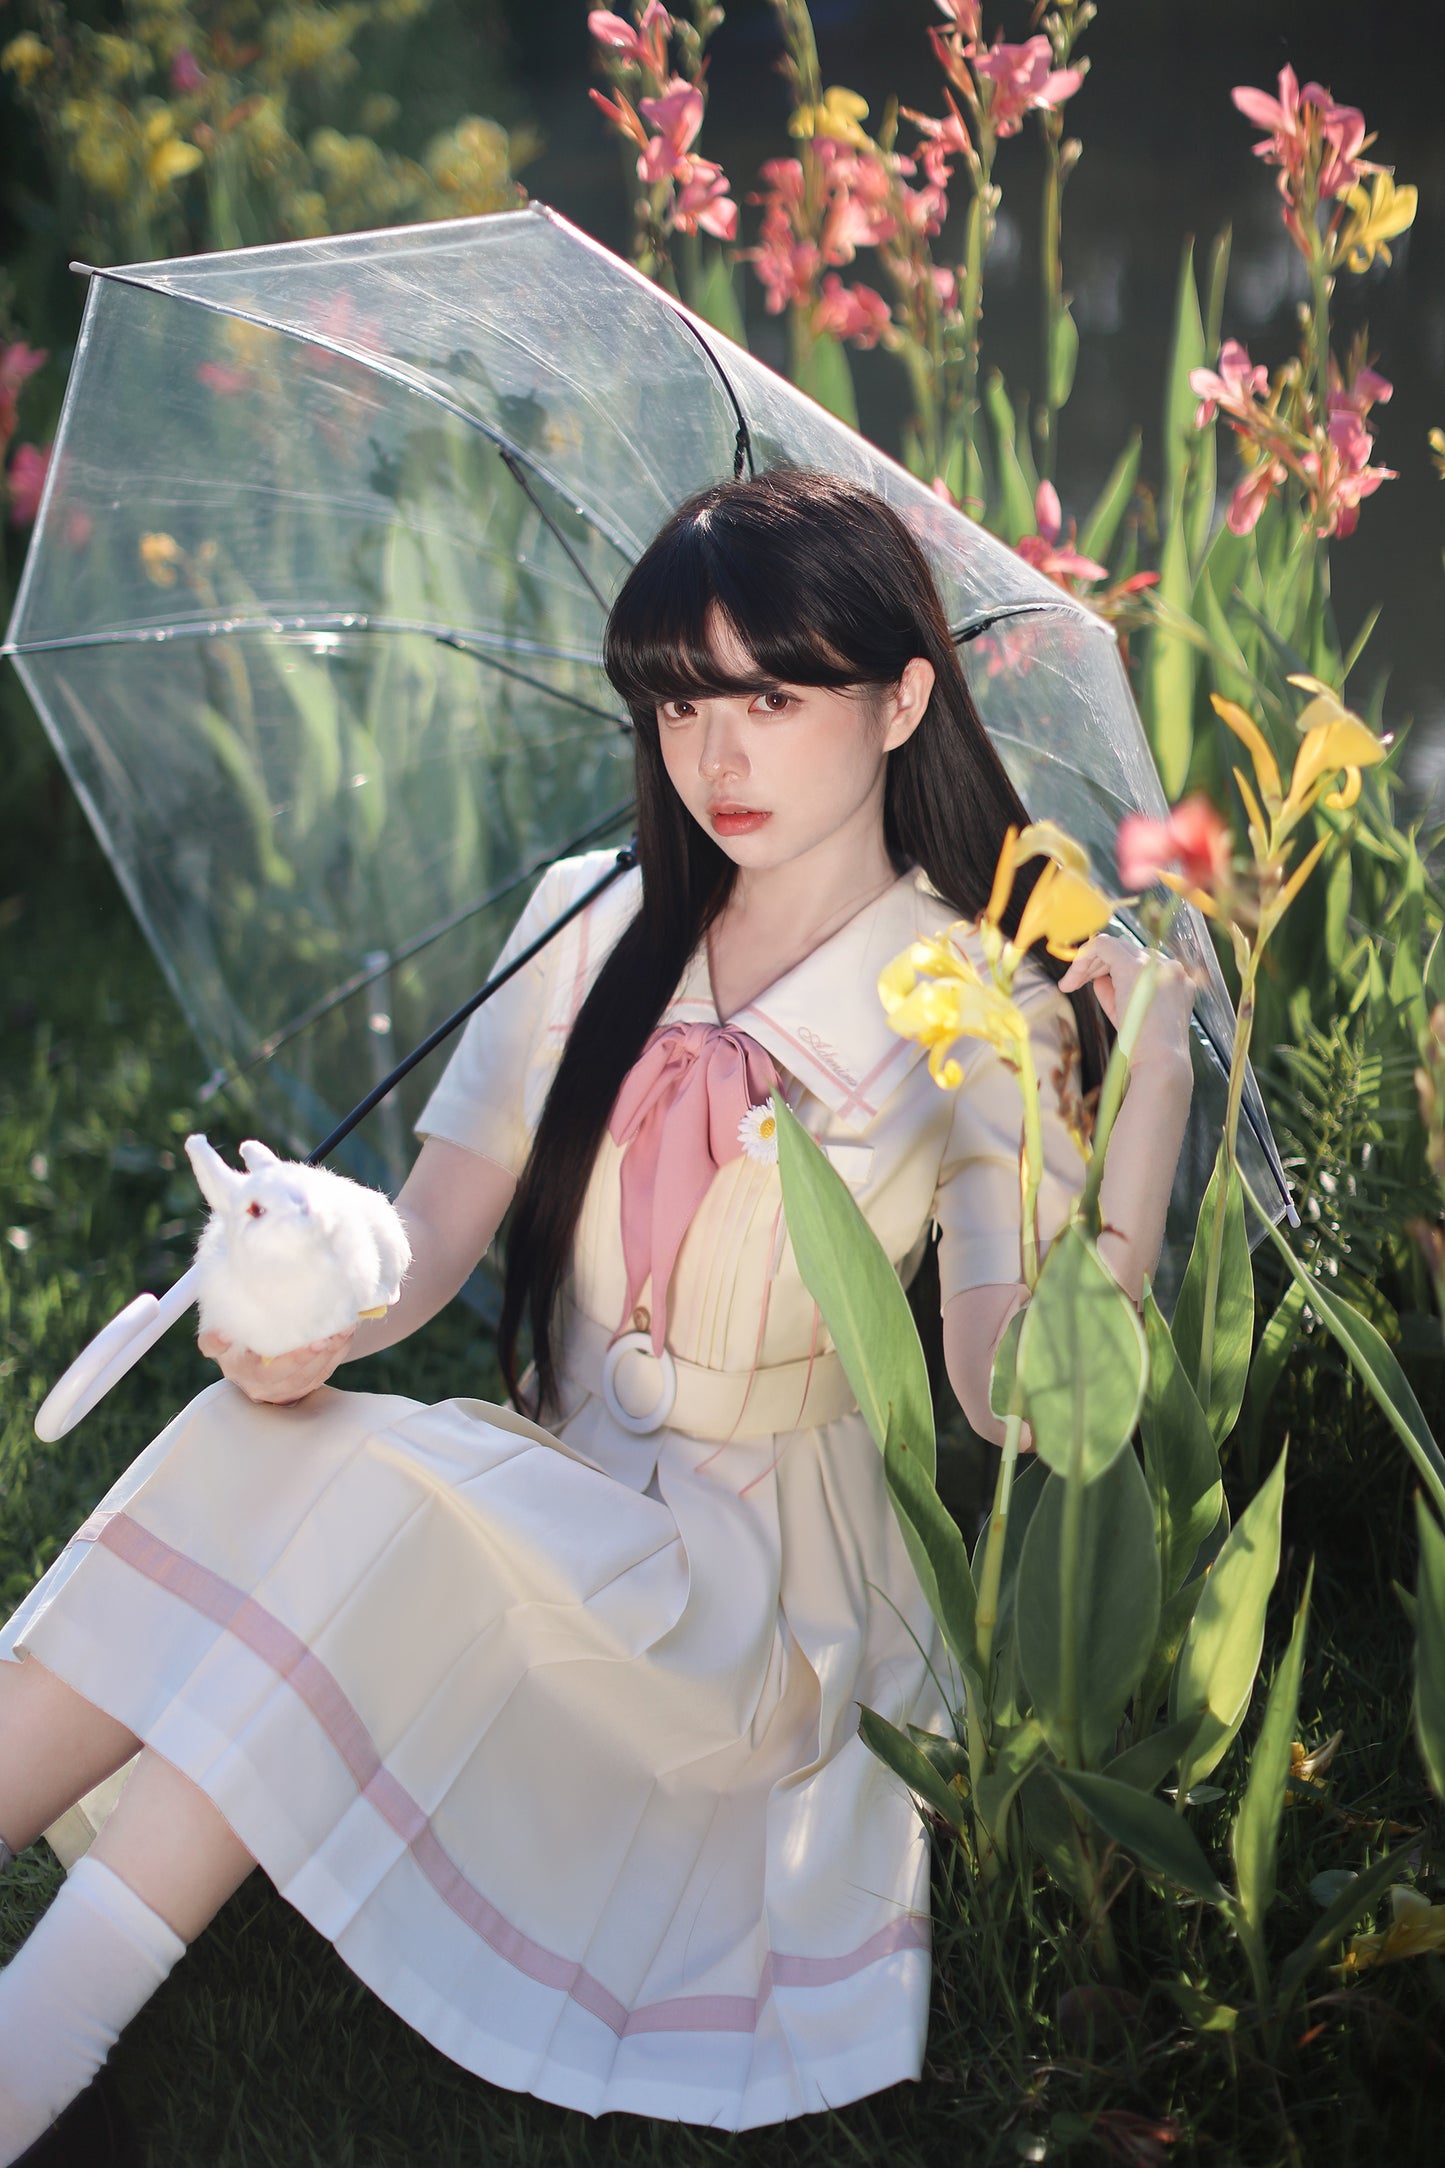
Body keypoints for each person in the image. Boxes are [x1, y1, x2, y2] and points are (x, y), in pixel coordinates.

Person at [0, 469, 1195, 2158]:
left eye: (770, 700)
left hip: (752, 1600)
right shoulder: (593, 914)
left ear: (901, 698)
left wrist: (1141, 1108)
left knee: (369, 1504)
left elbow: (1018, 1397)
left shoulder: (980, 1000)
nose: (716, 758)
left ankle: (31, 2047)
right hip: (556, 1495)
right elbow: (428, 1243)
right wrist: (315, 1294)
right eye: (681, 703)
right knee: (262, 1442)